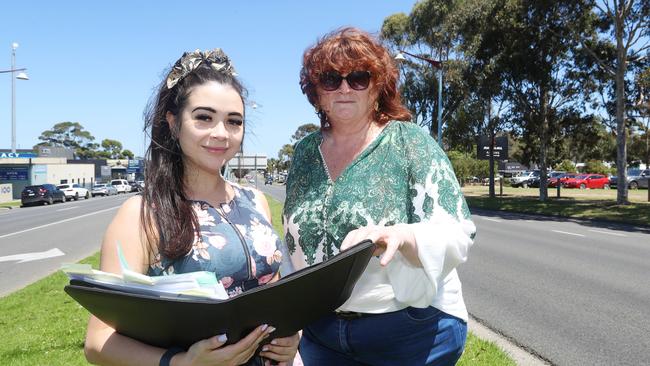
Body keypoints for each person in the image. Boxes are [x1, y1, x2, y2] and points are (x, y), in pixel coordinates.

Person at [84, 49, 299, 366]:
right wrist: (181, 362)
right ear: (173, 123)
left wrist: (289, 338)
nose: (221, 133)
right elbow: (98, 342)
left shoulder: (256, 201)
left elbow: (276, 295)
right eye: (204, 117)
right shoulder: (141, 215)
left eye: (234, 121)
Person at [283, 28, 477, 365]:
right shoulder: (303, 153)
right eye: (330, 79)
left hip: (408, 331)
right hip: (321, 332)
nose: (344, 88)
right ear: (316, 92)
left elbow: (458, 232)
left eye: (358, 78)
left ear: (378, 88)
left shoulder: (410, 142)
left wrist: (402, 235)